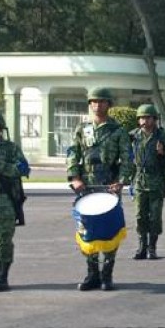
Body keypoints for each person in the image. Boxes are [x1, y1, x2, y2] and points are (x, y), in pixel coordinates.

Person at [66, 88, 133, 291]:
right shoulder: (82, 128)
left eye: (102, 101)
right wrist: (75, 177)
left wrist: (121, 181)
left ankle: (107, 275)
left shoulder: (118, 131)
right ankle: (92, 274)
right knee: (88, 231)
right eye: (93, 102)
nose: (97, 105)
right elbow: (72, 153)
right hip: (86, 187)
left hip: (109, 187)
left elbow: (127, 159)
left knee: (110, 230)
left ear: (108, 104)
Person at [130, 104, 165, 260]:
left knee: (155, 217)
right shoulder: (133, 136)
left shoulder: (162, 136)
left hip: (156, 180)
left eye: (148, 117)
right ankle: (142, 246)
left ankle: (152, 247)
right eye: (142, 118)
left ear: (154, 120)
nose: (145, 121)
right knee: (139, 216)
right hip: (139, 181)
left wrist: (163, 152)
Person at [0, 112, 29, 291]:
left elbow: (24, 169)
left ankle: (2, 276)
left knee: (4, 240)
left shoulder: (11, 148)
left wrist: (2, 166)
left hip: (4, 200)